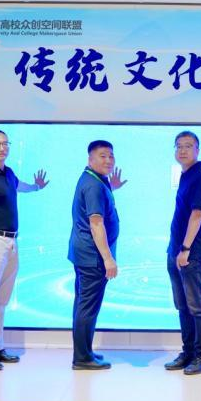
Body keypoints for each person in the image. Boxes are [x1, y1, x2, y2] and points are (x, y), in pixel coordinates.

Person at [0, 129, 48, 371]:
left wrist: (36, 187)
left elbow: (19, 186)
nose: (1, 148)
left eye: (4, 143)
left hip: (11, 243)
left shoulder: (8, 173)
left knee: (1, 300)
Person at [68, 140, 127, 370]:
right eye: (102, 156)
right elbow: (96, 223)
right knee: (87, 307)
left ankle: (84, 352)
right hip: (92, 257)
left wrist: (112, 188)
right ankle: (82, 358)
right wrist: (108, 258)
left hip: (84, 254)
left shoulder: (95, 180)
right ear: (90, 159)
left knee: (83, 304)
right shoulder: (94, 185)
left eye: (111, 156)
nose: (108, 160)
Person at [164, 131, 201, 375]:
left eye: (188, 146)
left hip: (191, 252)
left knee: (196, 306)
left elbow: (197, 214)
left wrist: (185, 249)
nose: (182, 150)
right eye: (179, 146)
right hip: (176, 250)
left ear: (197, 150)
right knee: (182, 305)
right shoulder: (186, 175)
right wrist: (175, 249)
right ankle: (188, 352)